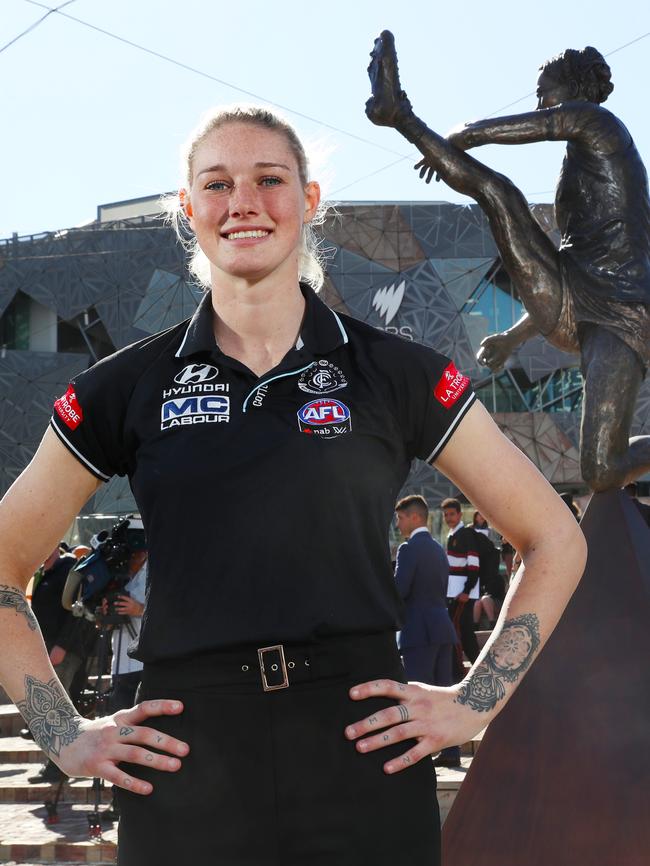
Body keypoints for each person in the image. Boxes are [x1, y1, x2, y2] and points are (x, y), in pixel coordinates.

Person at [0, 105, 586, 866]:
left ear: (309, 200)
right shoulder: (126, 385)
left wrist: (473, 704)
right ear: (190, 211)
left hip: (362, 743)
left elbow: (555, 539)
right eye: (217, 183)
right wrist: (62, 733)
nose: (243, 201)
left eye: (269, 179)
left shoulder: (396, 371)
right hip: (186, 750)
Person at [365, 31, 650, 494]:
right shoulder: (577, 161)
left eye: (545, 89)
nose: (539, 100)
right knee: (498, 194)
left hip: (623, 313)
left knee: (602, 469)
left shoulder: (601, 126)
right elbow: (564, 260)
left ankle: (401, 115)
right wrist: (511, 337)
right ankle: (400, 115)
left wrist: (464, 137)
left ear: (574, 88)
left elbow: (541, 125)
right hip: (573, 292)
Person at [394, 495, 461, 768]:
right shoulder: (437, 549)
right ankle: (451, 750)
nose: (397, 524)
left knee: (418, 695)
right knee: (444, 692)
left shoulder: (408, 549)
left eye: (400, 517)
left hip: (418, 632)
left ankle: (419, 753)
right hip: (441, 628)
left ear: (415, 517)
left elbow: (400, 590)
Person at [441, 498, 481, 668]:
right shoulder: (452, 535)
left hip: (463, 594)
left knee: (464, 632)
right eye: (445, 515)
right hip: (455, 593)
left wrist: (467, 590)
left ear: (459, 514)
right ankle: (461, 667)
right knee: (458, 631)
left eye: (452, 514)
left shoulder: (464, 535)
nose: (448, 518)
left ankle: (478, 667)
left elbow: (473, 564)